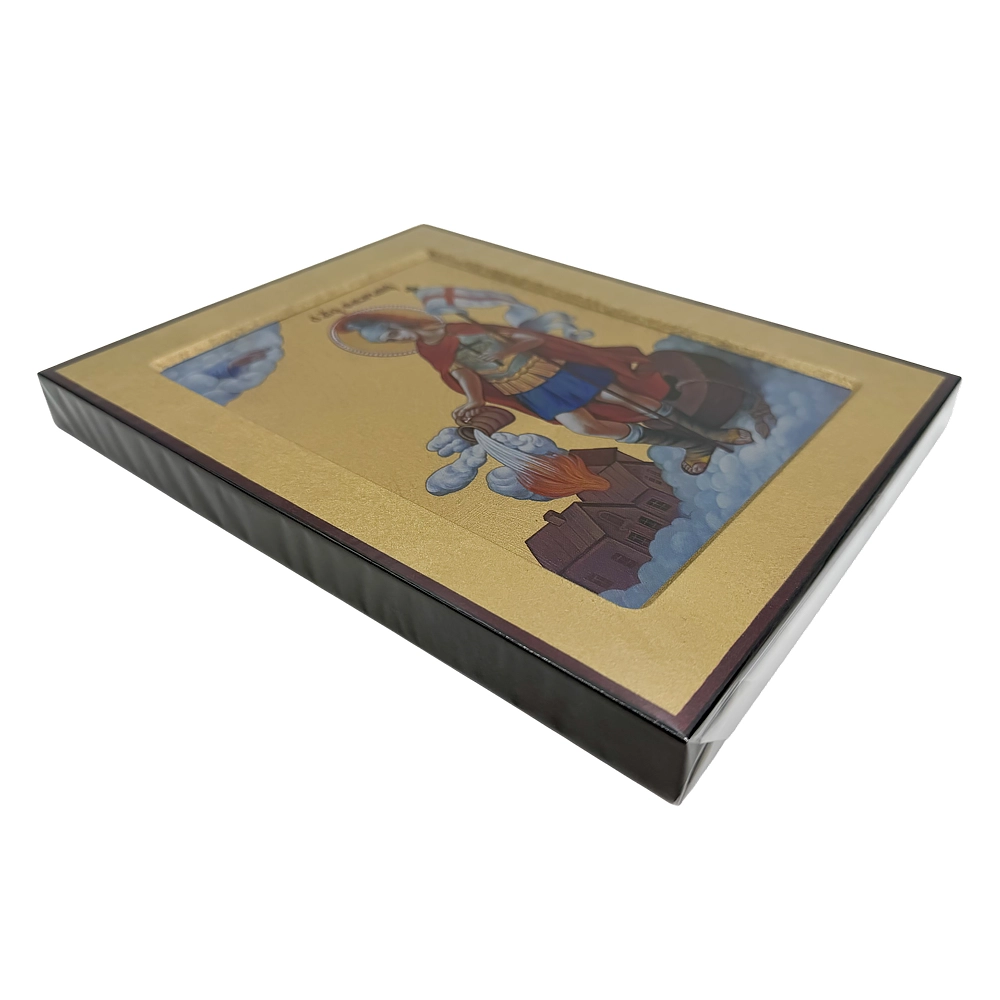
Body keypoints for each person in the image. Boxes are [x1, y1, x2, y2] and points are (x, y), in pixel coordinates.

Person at [342, 311, 752, 474]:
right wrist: (475, 400)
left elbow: (527, 339)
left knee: (637, 402)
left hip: (551, 370)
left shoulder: (457, 326)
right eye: (389, 339)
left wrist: (508, 349)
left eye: (392, 331)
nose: (397, 337)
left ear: (398, 322)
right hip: (525, 389)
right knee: (587, 428)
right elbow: (462, 372)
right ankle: (694, 443)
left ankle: (709, 437)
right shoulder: (428, 349)